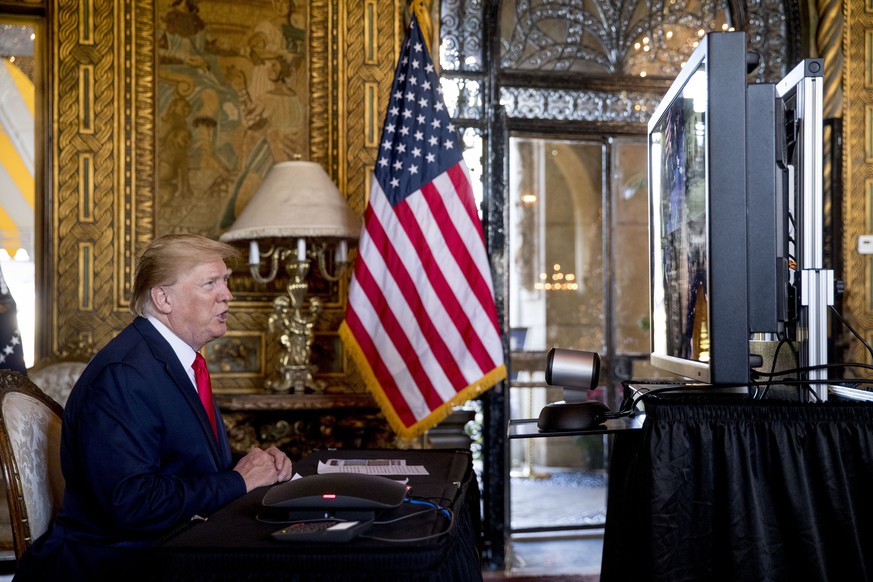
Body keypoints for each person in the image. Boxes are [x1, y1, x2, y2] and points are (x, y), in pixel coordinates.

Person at [14, 233, 293, 581]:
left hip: (168, 548)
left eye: (225, 281)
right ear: (163, 298)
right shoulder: (125, 375)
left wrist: (254, 463)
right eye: (210, 283)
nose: (228, 295)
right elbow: (132, 503)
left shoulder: (170, 359)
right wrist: (238, 481)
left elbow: (178, 457)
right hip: (118, 566)